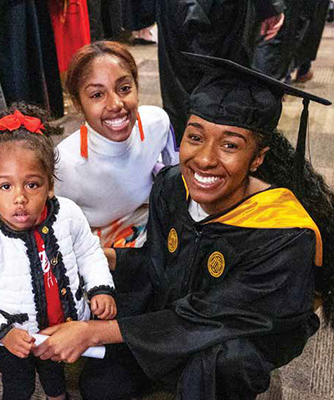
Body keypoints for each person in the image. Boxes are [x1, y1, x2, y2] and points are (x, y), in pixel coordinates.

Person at [33, 55, 334, 399]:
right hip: (174, 313)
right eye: (195, 136)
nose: (204, 158)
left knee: (224, 363)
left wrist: (94, 333)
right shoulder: (173, 186)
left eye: (230, 144)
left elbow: (211, 316)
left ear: (258, 158)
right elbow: (158, 266)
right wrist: (104, 256)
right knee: (101, 388)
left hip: (229, 332)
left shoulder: (282, 234)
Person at [0, 104, 116, 400]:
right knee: (18, 385)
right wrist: (2, 333)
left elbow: (89, 252)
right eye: (5, 186)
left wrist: (101, 288)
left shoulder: (69, 215)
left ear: (50, 184)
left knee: (54, 373)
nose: (20, 198)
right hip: (15, 336)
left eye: (32, 184)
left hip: (60, 326)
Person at [55, 41, 179, 248]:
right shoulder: (64, 163)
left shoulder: (157, 123)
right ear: (78, 104)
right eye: (97, 95)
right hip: (100, 255)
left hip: (158, 230)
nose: (115, 105)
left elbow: (177, 183)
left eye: (124, 88)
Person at [155, 0, 285, 144]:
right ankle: (218, 151)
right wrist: (269, 8)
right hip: (221, 9)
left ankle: (182, 152)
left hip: (177, 7)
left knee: (179, 83)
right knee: (222, 82)